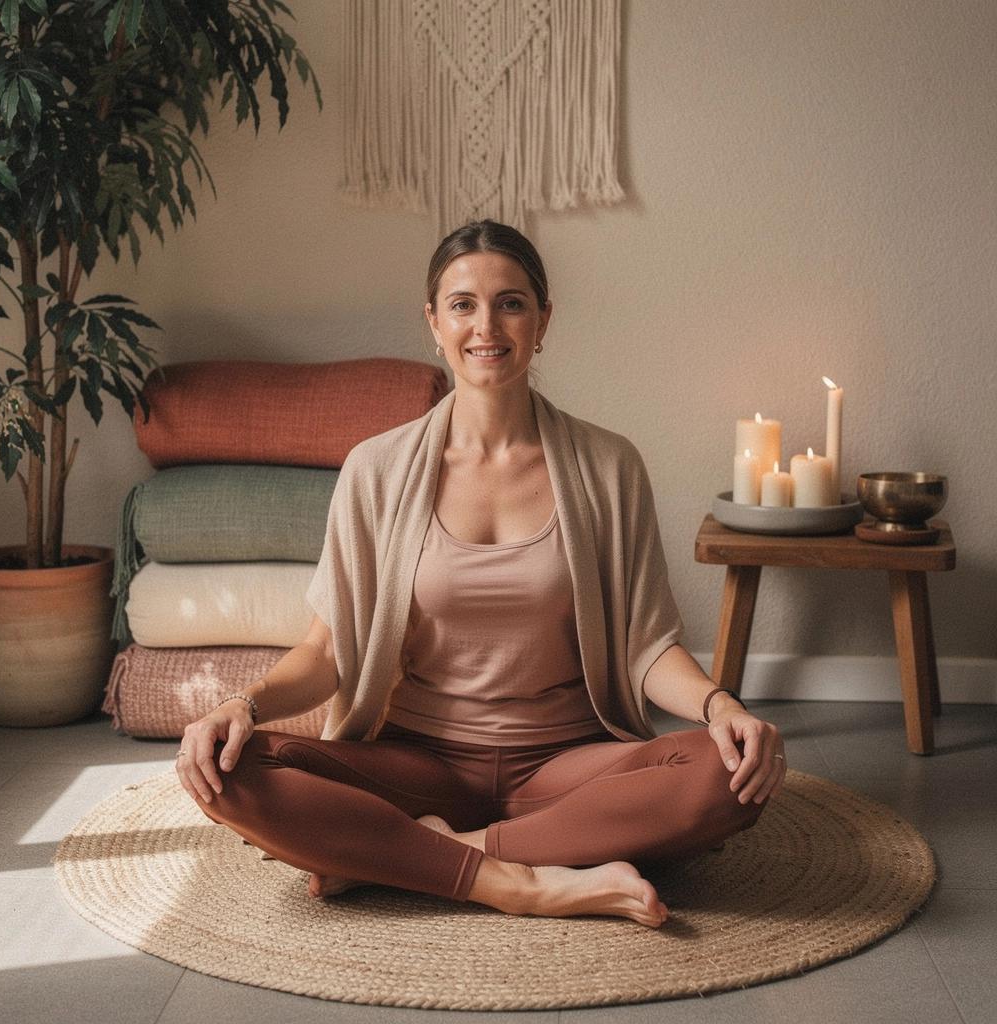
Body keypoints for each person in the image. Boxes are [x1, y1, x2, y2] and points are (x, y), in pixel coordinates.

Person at [175, 220, 786, 929]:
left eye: (511, 303)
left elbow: (647, 649)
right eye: (462, 304)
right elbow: (327, 652)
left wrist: (723, 709)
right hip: (416, 765)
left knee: (726, 777)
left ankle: (422, 856)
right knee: (228, 768)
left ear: (543, 320)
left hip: (564, 769)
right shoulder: (375, 469)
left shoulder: (609, 466)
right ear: (434, 322)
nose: (486, 325)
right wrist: (240, 708)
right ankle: (520, 883)